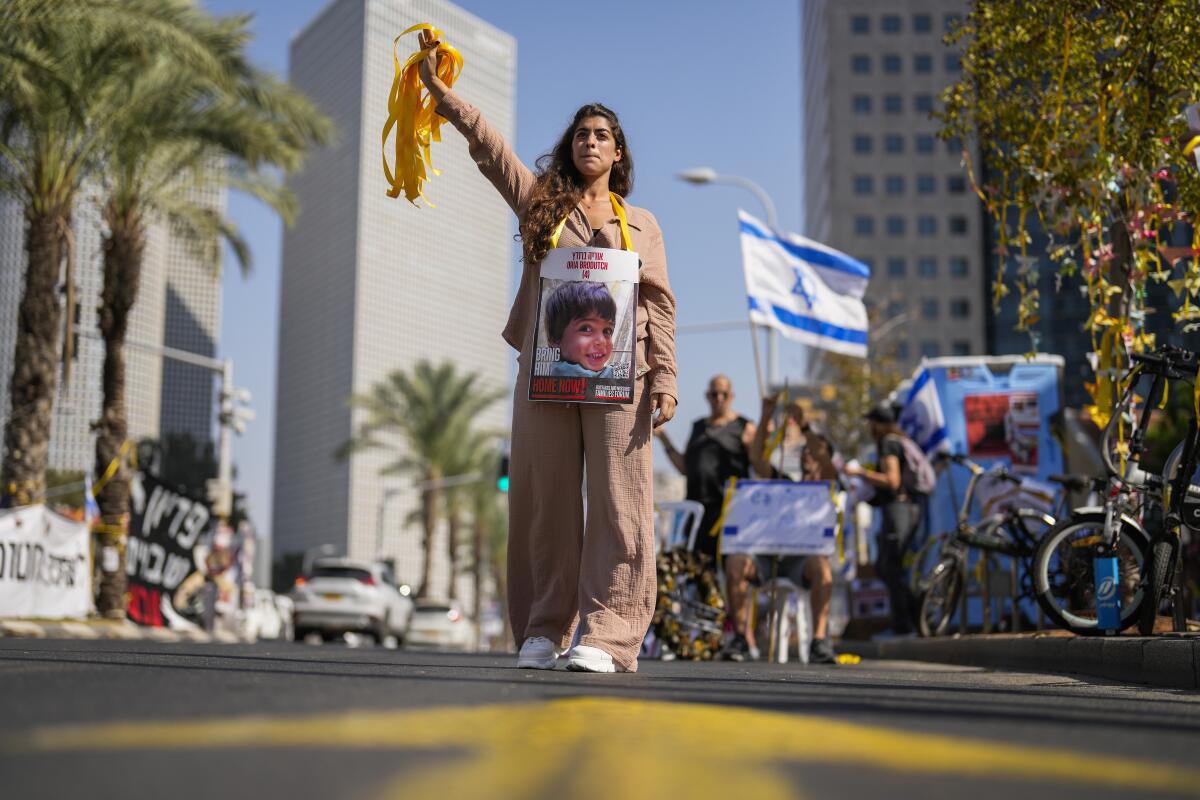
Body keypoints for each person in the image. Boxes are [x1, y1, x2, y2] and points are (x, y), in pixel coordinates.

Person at [418, 31, 677, 674]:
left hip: (624, 374)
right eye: (580, 134)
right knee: (544, 499)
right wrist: (443, 97)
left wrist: (666, 376)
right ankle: (543, 628)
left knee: (621, 502)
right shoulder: (543, 205)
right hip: (547, 373)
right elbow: (494, 153)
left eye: (601, 135)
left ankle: (608, 633)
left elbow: (660, 302)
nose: (588, 142)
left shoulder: (641, 222)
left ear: (618, 153)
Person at [721, 393, 837, 663]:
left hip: (802, 560)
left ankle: (819, 642)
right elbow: (756, 457)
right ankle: (739, 637)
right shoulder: (784, 482)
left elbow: (822, 455)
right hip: (767, 557)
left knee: (822, 568)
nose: (807, 451)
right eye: (804, 449)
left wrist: (804, 426)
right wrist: (766, 414)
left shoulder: (829, 484)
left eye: (813, 449)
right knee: (736, 562)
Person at [655, 375, 755, 561]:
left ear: (731, 396)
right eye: (714, 394)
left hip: (728, 516)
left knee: (729, 574)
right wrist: (663, 438)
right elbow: (685, 468)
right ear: (707, 396)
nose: (719, 398)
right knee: (697, 574)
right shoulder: (698, 427)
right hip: (697, 515)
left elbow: (758, 465)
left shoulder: (744, 427)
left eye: (724, 394)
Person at [843, 403, 919, 638]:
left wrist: (860, 474)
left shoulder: (888, 443)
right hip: (902, 509)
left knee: (890, 567)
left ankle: (905, 625)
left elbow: (892, 480)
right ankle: (912, 620)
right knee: (887, 566)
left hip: (898, 510)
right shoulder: (897, 441)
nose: (869, 428)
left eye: (871, 423)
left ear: (879, 424)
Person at [545, 281, 616, 378]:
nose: (602, 341)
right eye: (586, 329)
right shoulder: (565, 373)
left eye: (607, 331)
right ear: (556, 338)